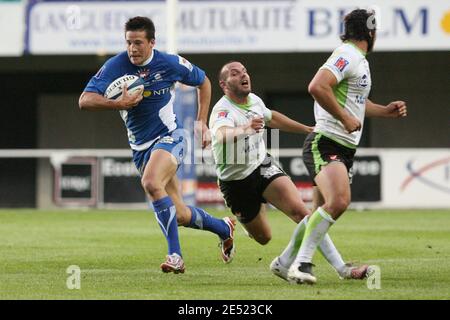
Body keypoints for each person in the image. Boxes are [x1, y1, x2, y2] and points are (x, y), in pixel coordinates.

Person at [79, 16, 236, 274]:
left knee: (151, 182)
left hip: (172, 137)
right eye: (129, 43)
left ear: (152, 42)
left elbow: (204, 81)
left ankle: (175, 256)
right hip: (141, 149)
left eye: (138, 42)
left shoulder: (169, 63)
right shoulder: (115, 66)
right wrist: (119, 103)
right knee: (181, 215)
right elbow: (85, 100)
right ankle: (223, 228)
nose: (133, 49)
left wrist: (201, 121)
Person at [209, 61, 370, 282]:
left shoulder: (254, 100)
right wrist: (246, 128)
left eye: (245, 71)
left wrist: (305, 129)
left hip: (261, 165)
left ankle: (342, 268)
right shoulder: (222, 110)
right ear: (223, 84)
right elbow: (220, 135)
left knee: (303, 213)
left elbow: (272, 117)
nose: (243, 76)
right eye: (235, 74)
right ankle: (236, 223)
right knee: (264, 237)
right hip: (236, 181)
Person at [286, 9, 408, 284]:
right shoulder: (348, 55)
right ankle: (301, 264)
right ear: (370, 32)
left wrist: (385, 111)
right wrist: (344, 117)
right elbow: (318, 86)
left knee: (317, 213)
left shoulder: (359, 60)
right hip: (326, 141)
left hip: (342, 146)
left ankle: (284, 263)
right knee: (339, 202)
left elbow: (356, 103)